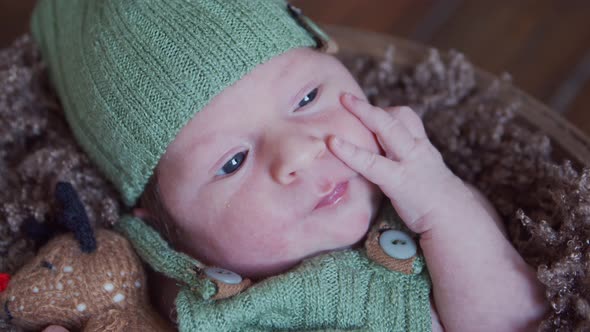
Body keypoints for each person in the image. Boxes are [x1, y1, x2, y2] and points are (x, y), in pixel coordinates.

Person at [29, 0, 548, 331]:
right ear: (165, 231)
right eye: (232, 162)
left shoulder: (430, 208)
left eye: (306, 98)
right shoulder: (180, 301)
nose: (298, 152)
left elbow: (521, 320)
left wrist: (442, 206)